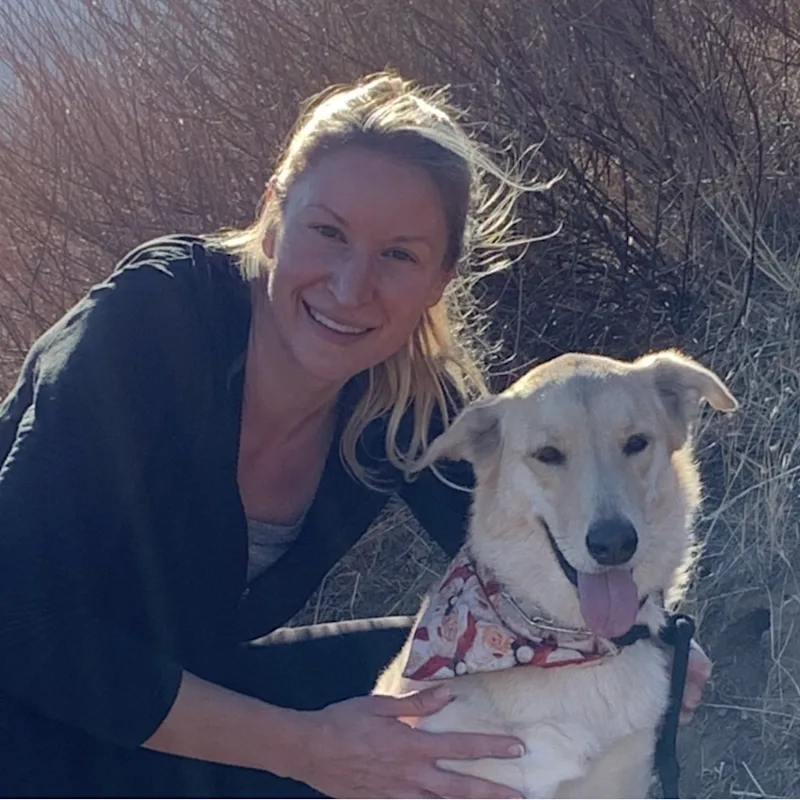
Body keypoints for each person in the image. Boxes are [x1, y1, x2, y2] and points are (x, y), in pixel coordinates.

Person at [0, 71, 711, 799]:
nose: (349, 286)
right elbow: (14, 616)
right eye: (328, 232)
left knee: (460, 684)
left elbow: (530, 535)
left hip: (170, 697)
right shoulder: (154, 320)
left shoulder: (405, 398)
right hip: (19, 713)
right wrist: (306, 749)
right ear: (273, 216)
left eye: (399, 254)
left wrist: (638, 633)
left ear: (439, 279)